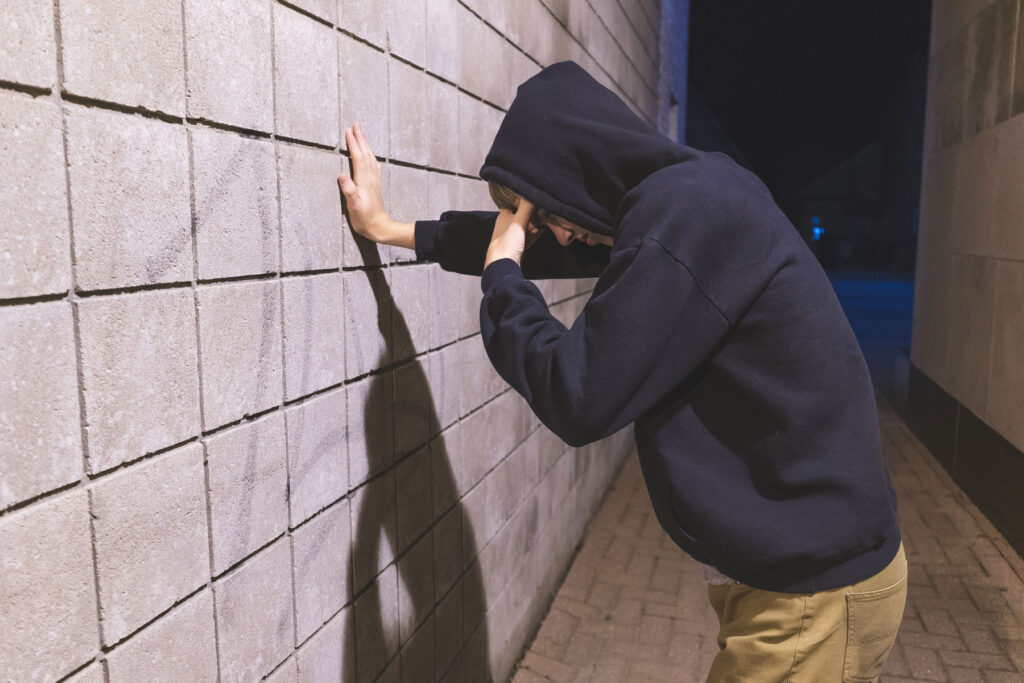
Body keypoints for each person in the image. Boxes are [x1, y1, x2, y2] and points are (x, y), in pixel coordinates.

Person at [338, 61, 906, 682]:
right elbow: (548, 243)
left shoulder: (683, 222)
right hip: (800, 580)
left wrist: (503, 279)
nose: (554, 233)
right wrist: (391, 230)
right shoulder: (682, 200)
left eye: (544, 211)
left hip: (811, 601)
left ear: (574, 171)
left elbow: (578, 396)